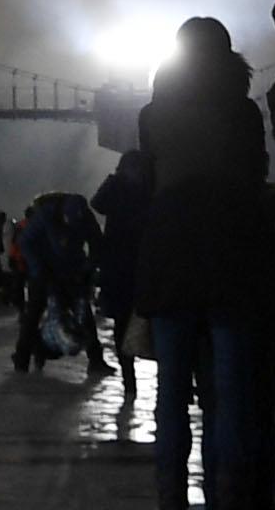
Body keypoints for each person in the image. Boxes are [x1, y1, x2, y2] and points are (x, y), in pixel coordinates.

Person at [136, 17, 275, 508]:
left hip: (169, 256)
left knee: (171, 396)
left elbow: (153, 176)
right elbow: (253, 176)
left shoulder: (152, 114)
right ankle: (229, 496)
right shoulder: (244, 113)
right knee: (232, 399)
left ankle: (169, 499)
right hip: (232, 254)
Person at [15, 189, 105, 376]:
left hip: (72, 270)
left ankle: (96, 360)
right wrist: (38, 269)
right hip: (45, 272)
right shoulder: (46, 214)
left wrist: (88, 267)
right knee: (34, 312)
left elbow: (97, 243)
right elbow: (25, 242)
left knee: (84, 314)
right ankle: (22, 358)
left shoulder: (84, 216)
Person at [92, 145, 152, 399]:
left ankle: (133, 378)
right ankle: (130, 378)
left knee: (133, 322)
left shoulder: (145, 190)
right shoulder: (124, 189)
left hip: (133, 265)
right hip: (128, 266)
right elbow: (98, 203)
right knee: (123, 323)